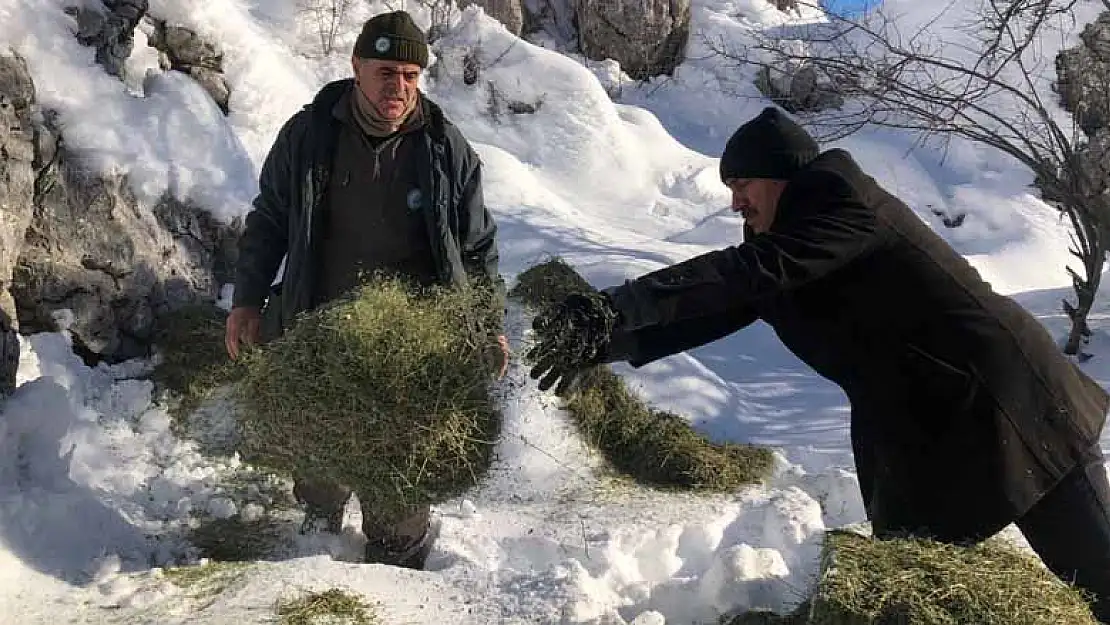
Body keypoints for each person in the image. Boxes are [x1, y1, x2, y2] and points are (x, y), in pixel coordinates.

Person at [528, 106, 1110, 620]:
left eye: (744, 182)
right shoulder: (792, 236)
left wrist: (616, 304)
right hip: (921, 425)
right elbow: (718, 306)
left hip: (1013, 405)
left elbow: (748, 273)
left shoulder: (841, 203)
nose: (735, 200)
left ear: (783, 175)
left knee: (1099, 574)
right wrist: (609, 343)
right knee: (906, 589)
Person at [225, 10, 507, 570]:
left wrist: (487, 323)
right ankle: (318, 533)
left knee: (400, 473)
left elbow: (477, 249)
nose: (397, 88)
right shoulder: (309, 136)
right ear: (356, 66)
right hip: (318, 329)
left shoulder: (445, 149)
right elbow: (270, 220)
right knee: (319, 455)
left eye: (409, 75)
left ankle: (398, 559)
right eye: (385, 72)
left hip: (412, 346)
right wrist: (247, 301)